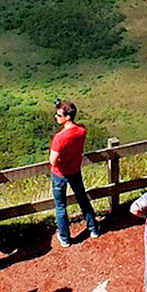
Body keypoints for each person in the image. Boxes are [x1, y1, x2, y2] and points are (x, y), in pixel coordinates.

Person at [49, 99, 101, 246]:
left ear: (67, 117)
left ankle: (65, 238)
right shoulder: (81, 131)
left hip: (59, 174)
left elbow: (53, 161)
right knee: (83, 199)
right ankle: (93, 229)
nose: (56, 117)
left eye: (59, 115)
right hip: (75, 171)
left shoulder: (59, 138)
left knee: (60, 206)